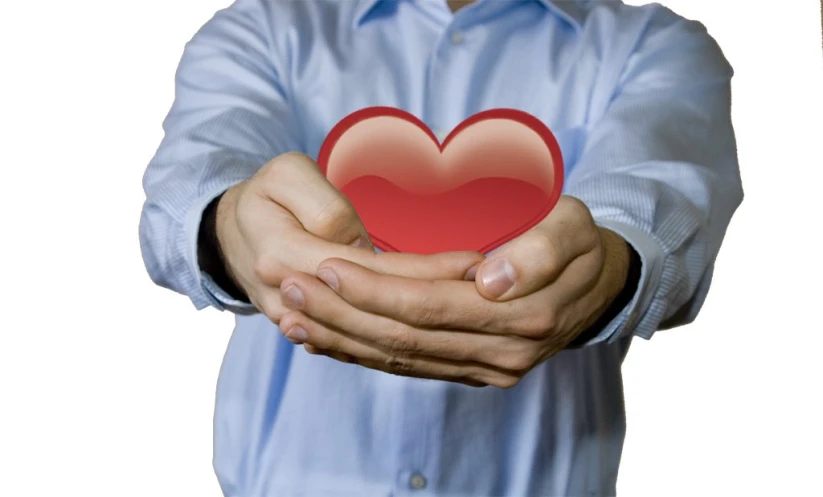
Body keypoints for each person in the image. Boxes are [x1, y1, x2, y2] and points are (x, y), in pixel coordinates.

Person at [138, 0, 743, 495]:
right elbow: (189, 188)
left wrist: (607, 268)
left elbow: (658, 210)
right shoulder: (260, 28)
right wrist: (231, 225)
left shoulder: (658, 48)